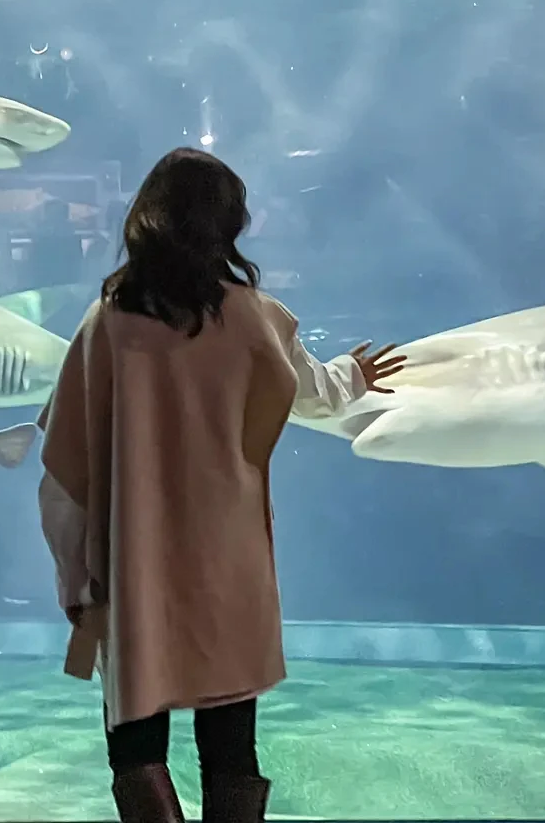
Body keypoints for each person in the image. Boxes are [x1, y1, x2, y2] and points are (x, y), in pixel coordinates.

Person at [36, 147, 407, 823]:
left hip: (132, 570)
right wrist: (356, 374)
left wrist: (72, 578)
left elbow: (64, 477)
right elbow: (319, 394)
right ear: (228, 225)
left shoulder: (107, 323)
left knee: (136, 749)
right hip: (228, 569)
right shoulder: (256, 316)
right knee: (231, 750)